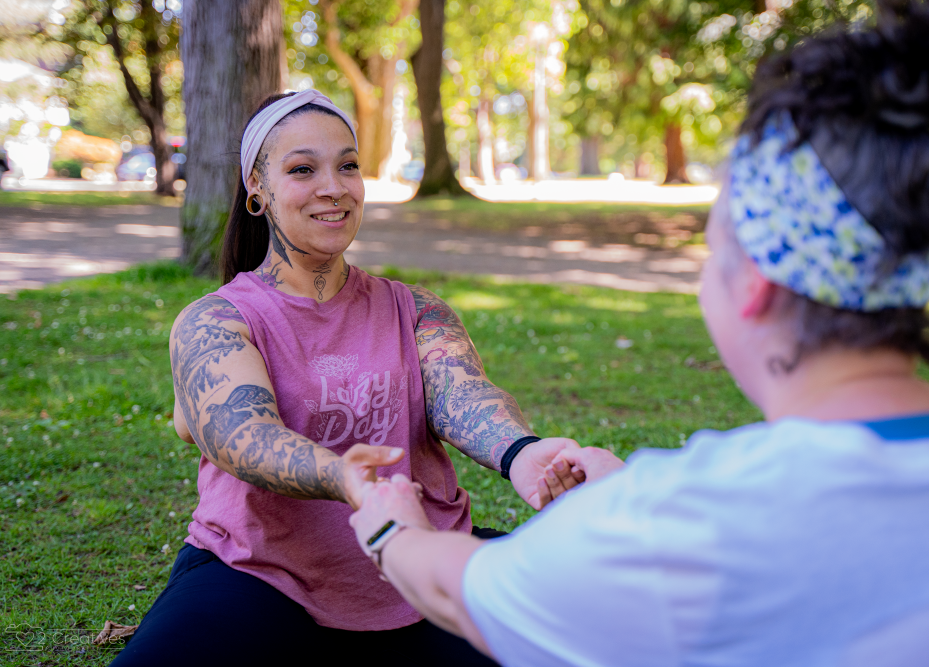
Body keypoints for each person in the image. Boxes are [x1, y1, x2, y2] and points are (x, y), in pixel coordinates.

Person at [346, 3, 929, 665]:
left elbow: (464, 594)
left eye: (715, 251)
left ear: (757, 282)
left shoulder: (678, 524)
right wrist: (621, 496)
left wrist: (393, 525)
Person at [110, 90, 583, 666]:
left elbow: (461, 393)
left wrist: (521, 453)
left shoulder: (416, 309)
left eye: (348, 165)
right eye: (303, 169)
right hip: (262, 572)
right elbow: (243, 435)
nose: (333, 186)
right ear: (257, 191)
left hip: (420, 562)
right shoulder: (216, 320)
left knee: (589, 637)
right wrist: (345, 478)